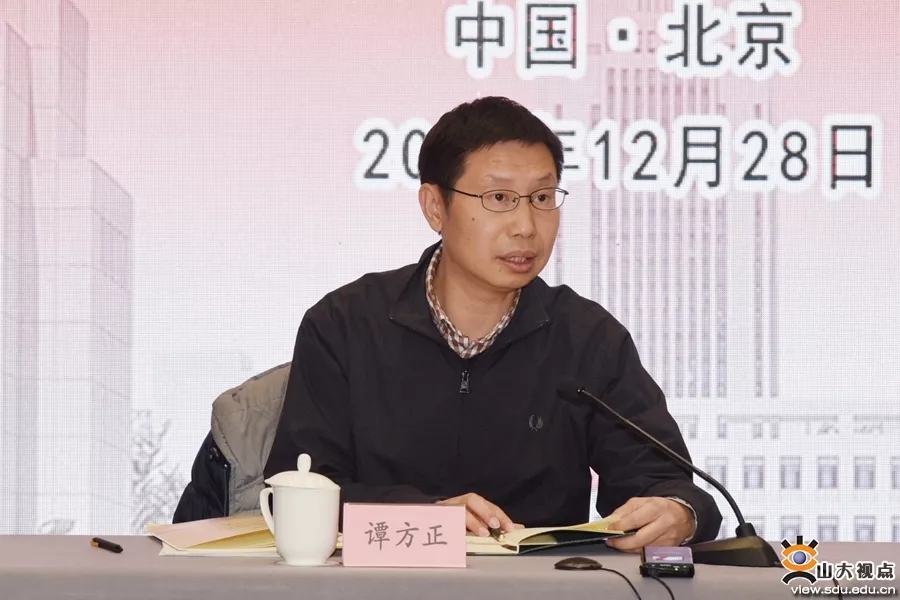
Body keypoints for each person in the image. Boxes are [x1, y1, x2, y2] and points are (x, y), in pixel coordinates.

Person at [264, 96, 722, 551]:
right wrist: (427, 518)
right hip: (378, 581)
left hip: (541, 584)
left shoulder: (587, 338)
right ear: (435, 206)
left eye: (542, 198)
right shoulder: (345, 325)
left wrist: (678, 512)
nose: (526, 225)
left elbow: (664, 483)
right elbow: (301, 490)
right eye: (499, 198)